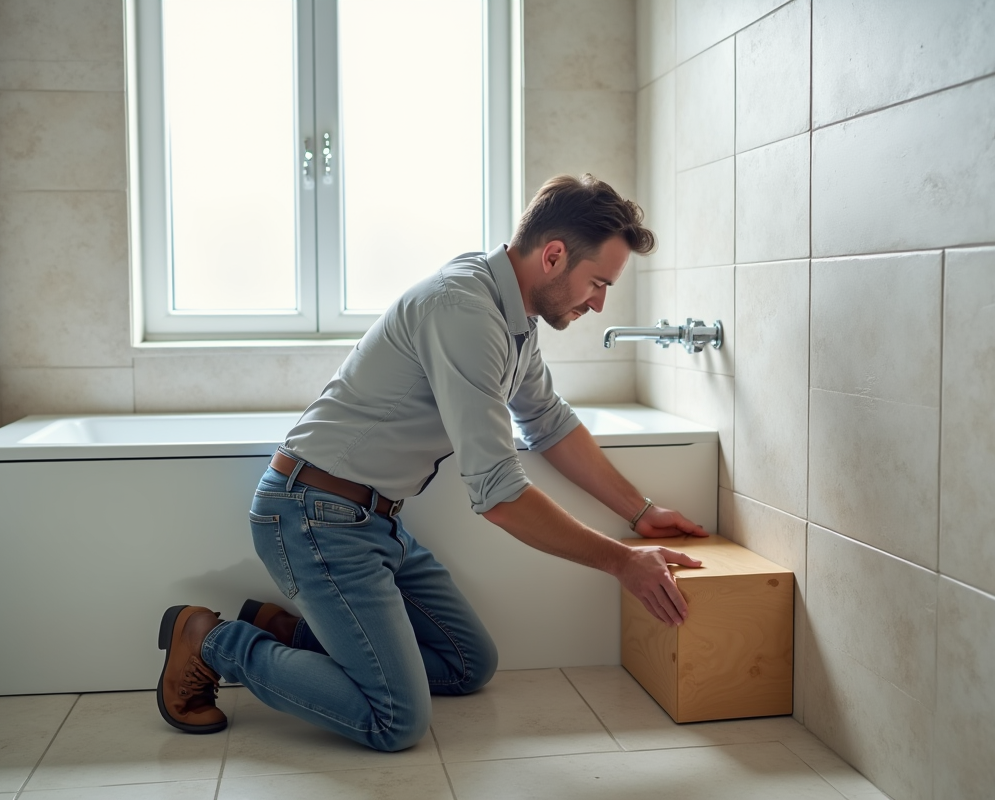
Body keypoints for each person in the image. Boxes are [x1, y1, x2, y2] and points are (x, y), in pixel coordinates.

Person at [154, 173, 709, 749]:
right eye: (598, 283)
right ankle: (212, 641)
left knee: (468, 663)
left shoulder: (511, 317)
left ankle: (290, 633)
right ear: (553, 256)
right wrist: (623, 563)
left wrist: (640, 511)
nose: (599, 303)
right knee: (395, 722)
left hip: (371, 521)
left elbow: (547, 421)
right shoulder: (464, 311)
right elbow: (499, 496)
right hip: (312, 518)